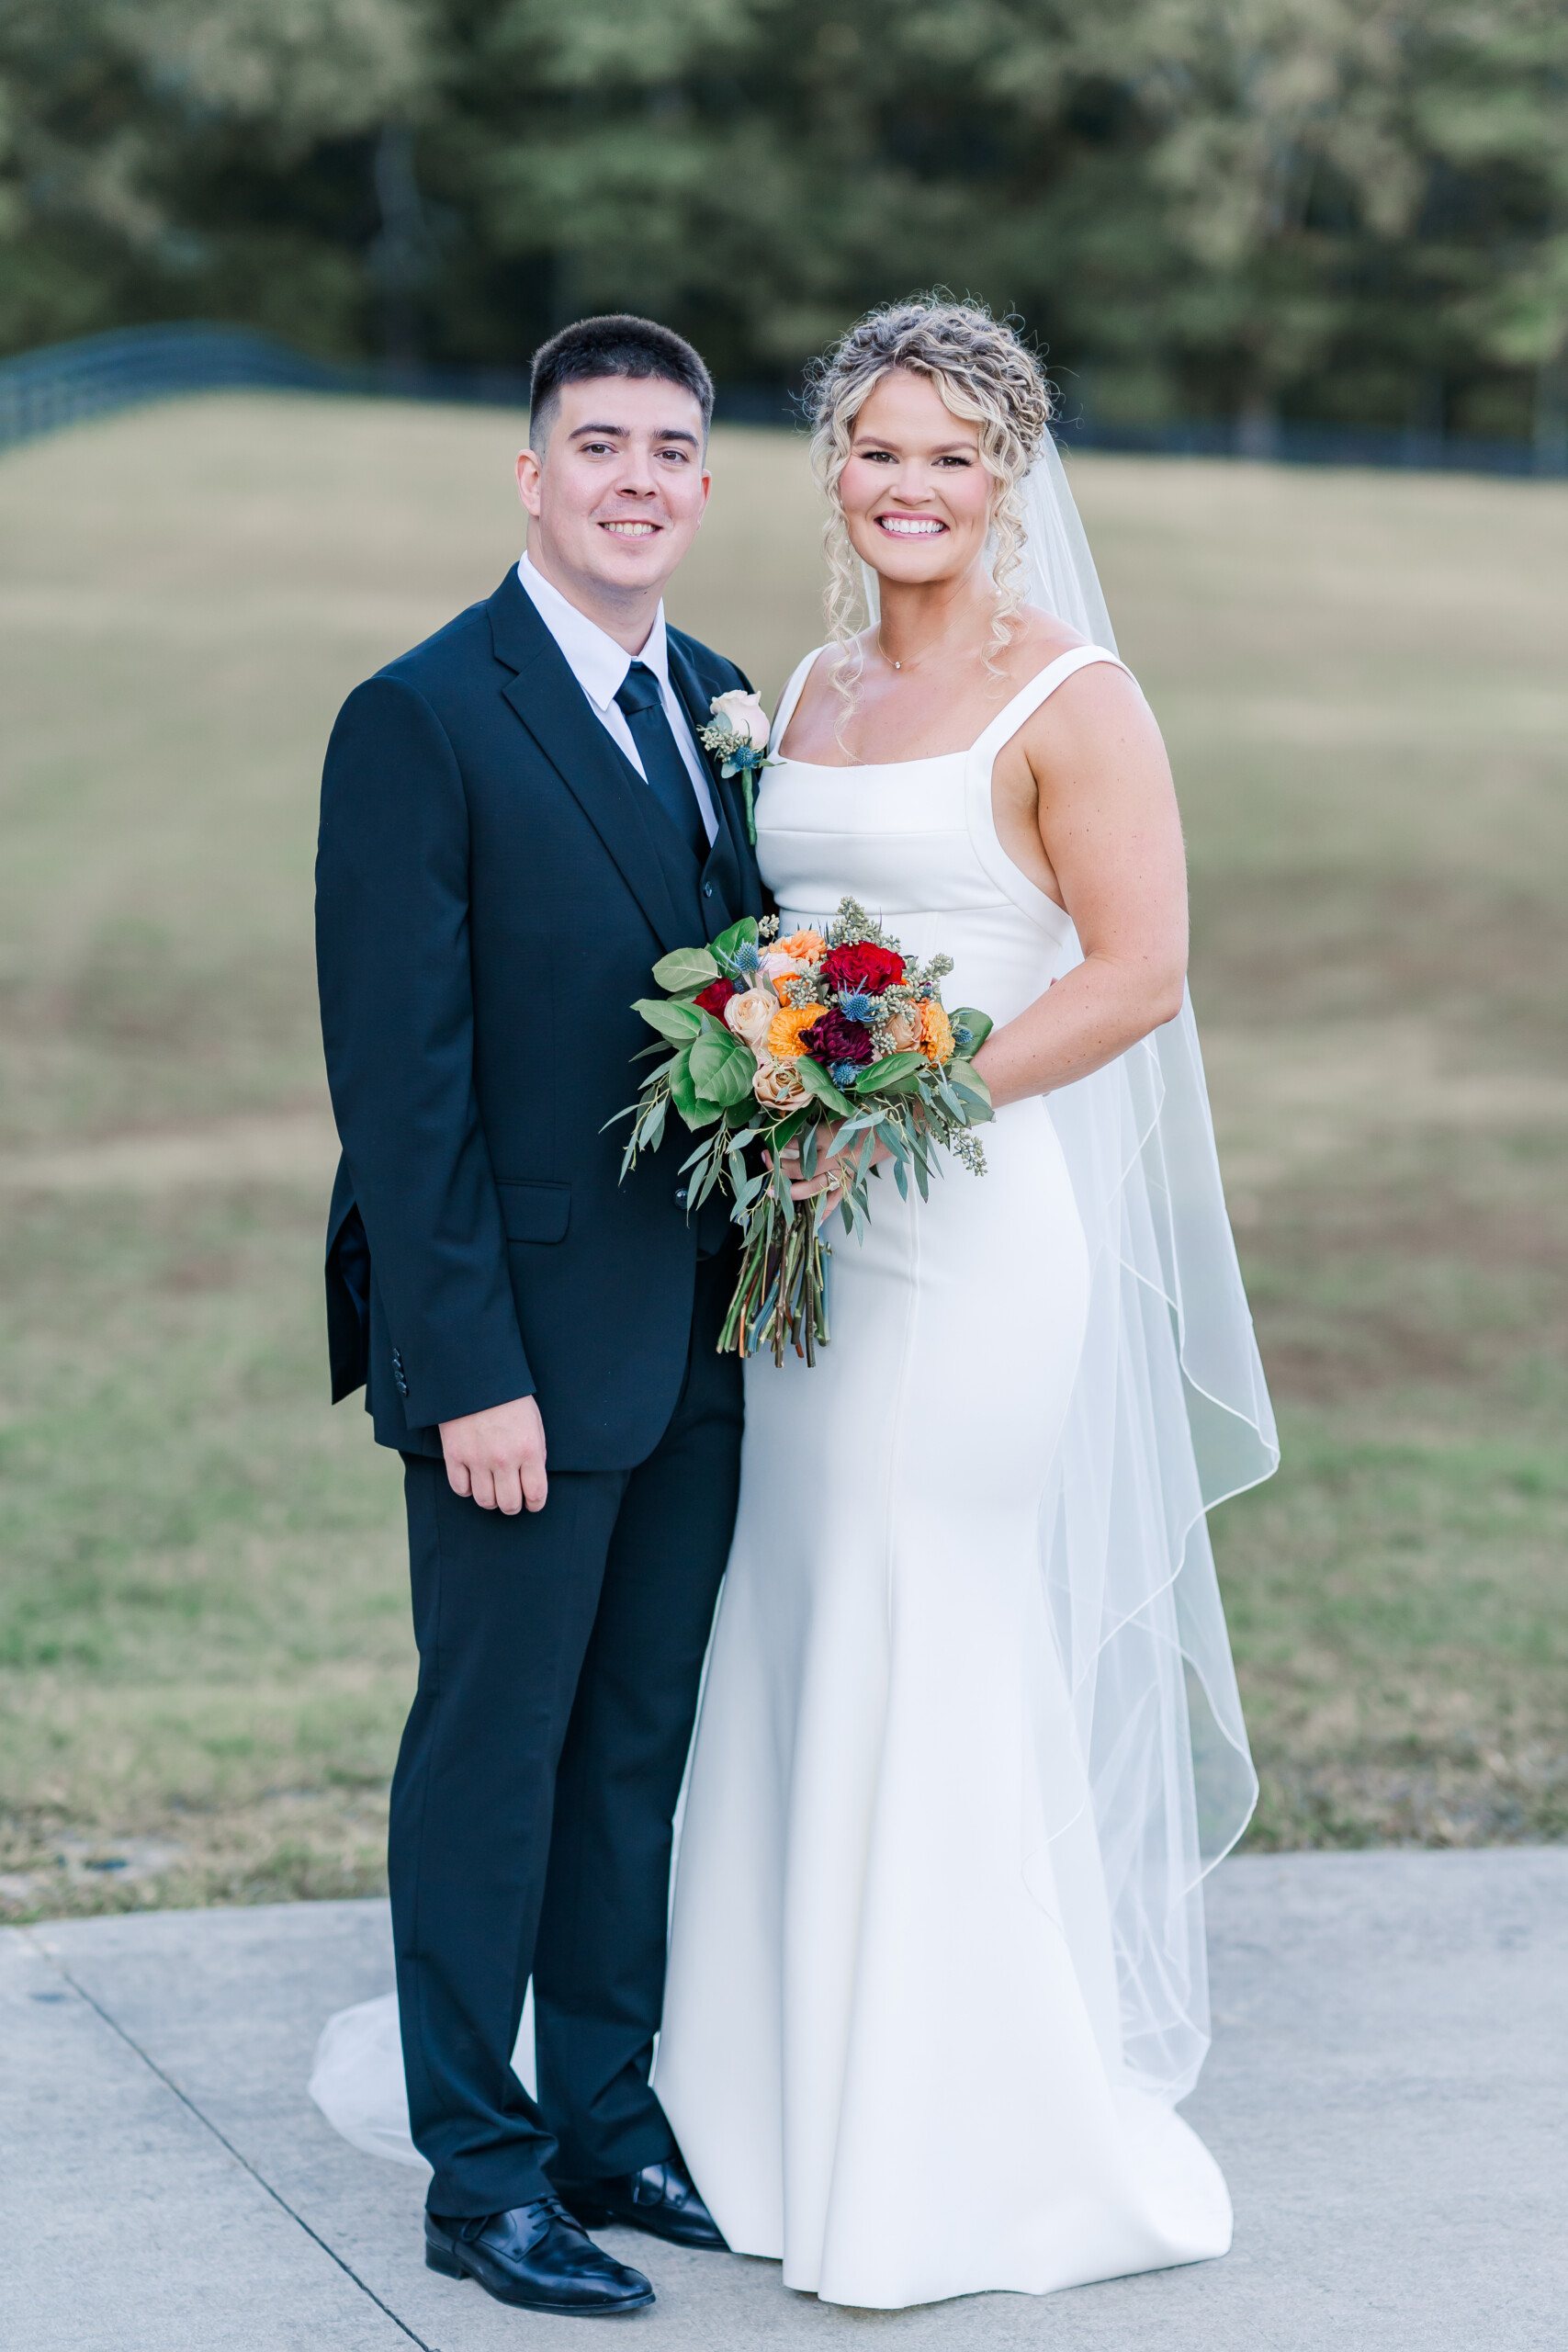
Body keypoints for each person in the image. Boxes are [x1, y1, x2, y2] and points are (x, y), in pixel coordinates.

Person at [652, 296, 1279, 2309]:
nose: (908, 485)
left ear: (1009, 478)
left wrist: (897, 1097)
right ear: (829, 467)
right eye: (874, 447)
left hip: (975, 1224)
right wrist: (772, 1084)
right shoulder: (809, 687)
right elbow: (779, 931)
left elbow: (1134, 971)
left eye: (950, 453)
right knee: (802, 1599)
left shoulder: (1070, 695)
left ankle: (951, 2139)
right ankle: (768, 2103)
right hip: (810, 1229)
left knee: (926, 1608)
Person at [311, 313, 765, 2318]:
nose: (638, 479)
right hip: (513, 1352)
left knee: (630, 1749)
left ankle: (605, 2113)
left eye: (672, 448)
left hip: (699, 1340)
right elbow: (398, 1088)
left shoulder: (722, 698)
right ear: (528, 471)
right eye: (600, 444)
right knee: (490, 1757)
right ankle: (475, 2172)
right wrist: (463, 1362)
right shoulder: (419, 714)